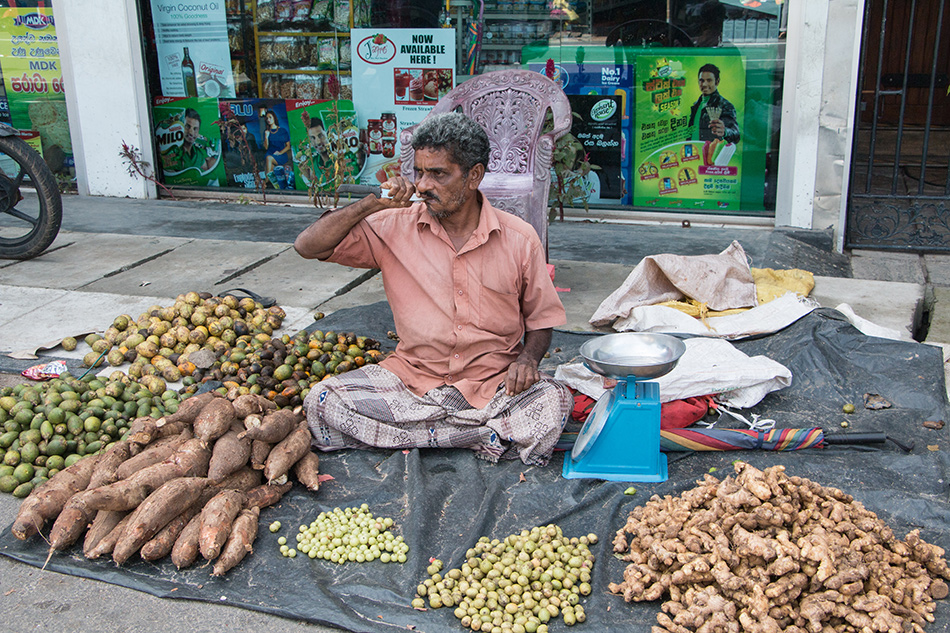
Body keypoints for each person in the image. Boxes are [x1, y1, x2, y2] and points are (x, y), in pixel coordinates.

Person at [293, 112, 572, 467]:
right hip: (411, 382)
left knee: (553, 402)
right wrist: (369, 205)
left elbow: (542, 319)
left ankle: (429, 436)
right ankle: (474, 436)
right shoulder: (392, 225)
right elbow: (307, 246)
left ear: (474, 176)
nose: (423, 185)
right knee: (323, 400)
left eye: (438, 174)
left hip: (493, 385)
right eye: (420, 172)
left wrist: (528, 359)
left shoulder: (519, 238)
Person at [688, 63, 740, 144]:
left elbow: (736, 135)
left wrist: (725, 132)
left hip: (711, 154)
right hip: (693, 153)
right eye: (701, 80)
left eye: (709, 80)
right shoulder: (696, 105)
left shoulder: (725, 105)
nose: (704, 84)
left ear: (717, 81)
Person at [160, 108, 218, 173]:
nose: (191, 132)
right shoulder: (172, 151)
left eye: (195, 129)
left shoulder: (198, 154)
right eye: (187, 126)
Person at [263, 109, 292, 189]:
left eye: (270, 117)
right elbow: (266, 147)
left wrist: (280, 153)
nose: (268, 119)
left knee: (269, 159)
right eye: (267, 118)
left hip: (281, 155)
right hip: (270, 154)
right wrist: (266, 137)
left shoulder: (282, 131)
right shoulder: (267, 132)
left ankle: (266, 181)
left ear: (274, 118)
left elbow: (288, 146)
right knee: (269, 161)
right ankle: (275, 186)